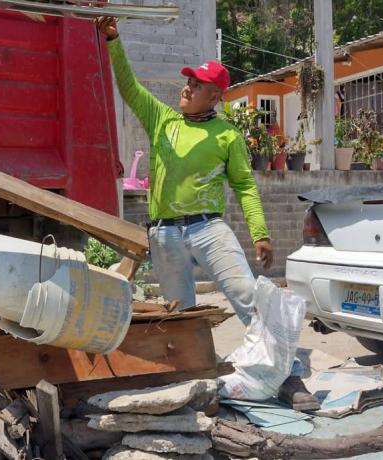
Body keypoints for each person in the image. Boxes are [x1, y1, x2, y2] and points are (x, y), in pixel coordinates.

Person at [95, 18, 318, 410]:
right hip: (164, 234)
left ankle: (289, 375)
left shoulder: (227, 135)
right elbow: (128, 87)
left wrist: (260, 233)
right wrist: (113, 40)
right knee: (179, 315)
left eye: (197, 85)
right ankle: (193, 384)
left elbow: (245, 185)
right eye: (188, 81)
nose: (187, 87)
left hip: (208, 228)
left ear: (214, 96)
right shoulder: (162, 120)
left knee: (249, 298)